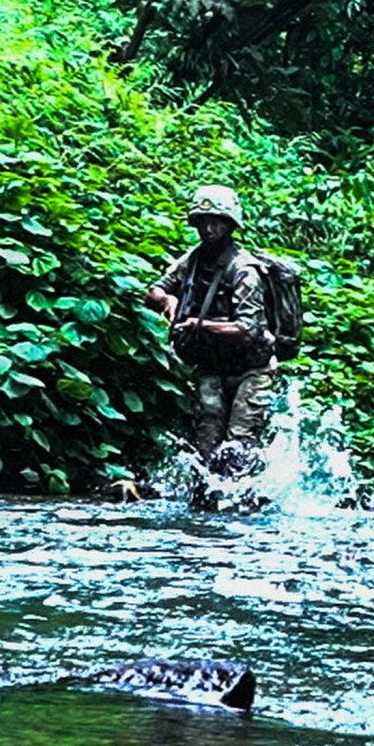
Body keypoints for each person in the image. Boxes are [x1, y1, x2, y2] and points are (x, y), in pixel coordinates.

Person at [149, 185, 291, 509]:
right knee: (208, 443)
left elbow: (249, 330)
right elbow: (155, 289)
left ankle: (243, 506)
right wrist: (168, 300)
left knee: (238, 443)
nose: (209, 229)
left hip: (251, 369)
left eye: (217, 222)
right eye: (203, 221)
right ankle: (205, 505)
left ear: (230, 225)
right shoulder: (194, 259)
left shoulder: (244, 269)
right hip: (212, 365)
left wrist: (200, 324)